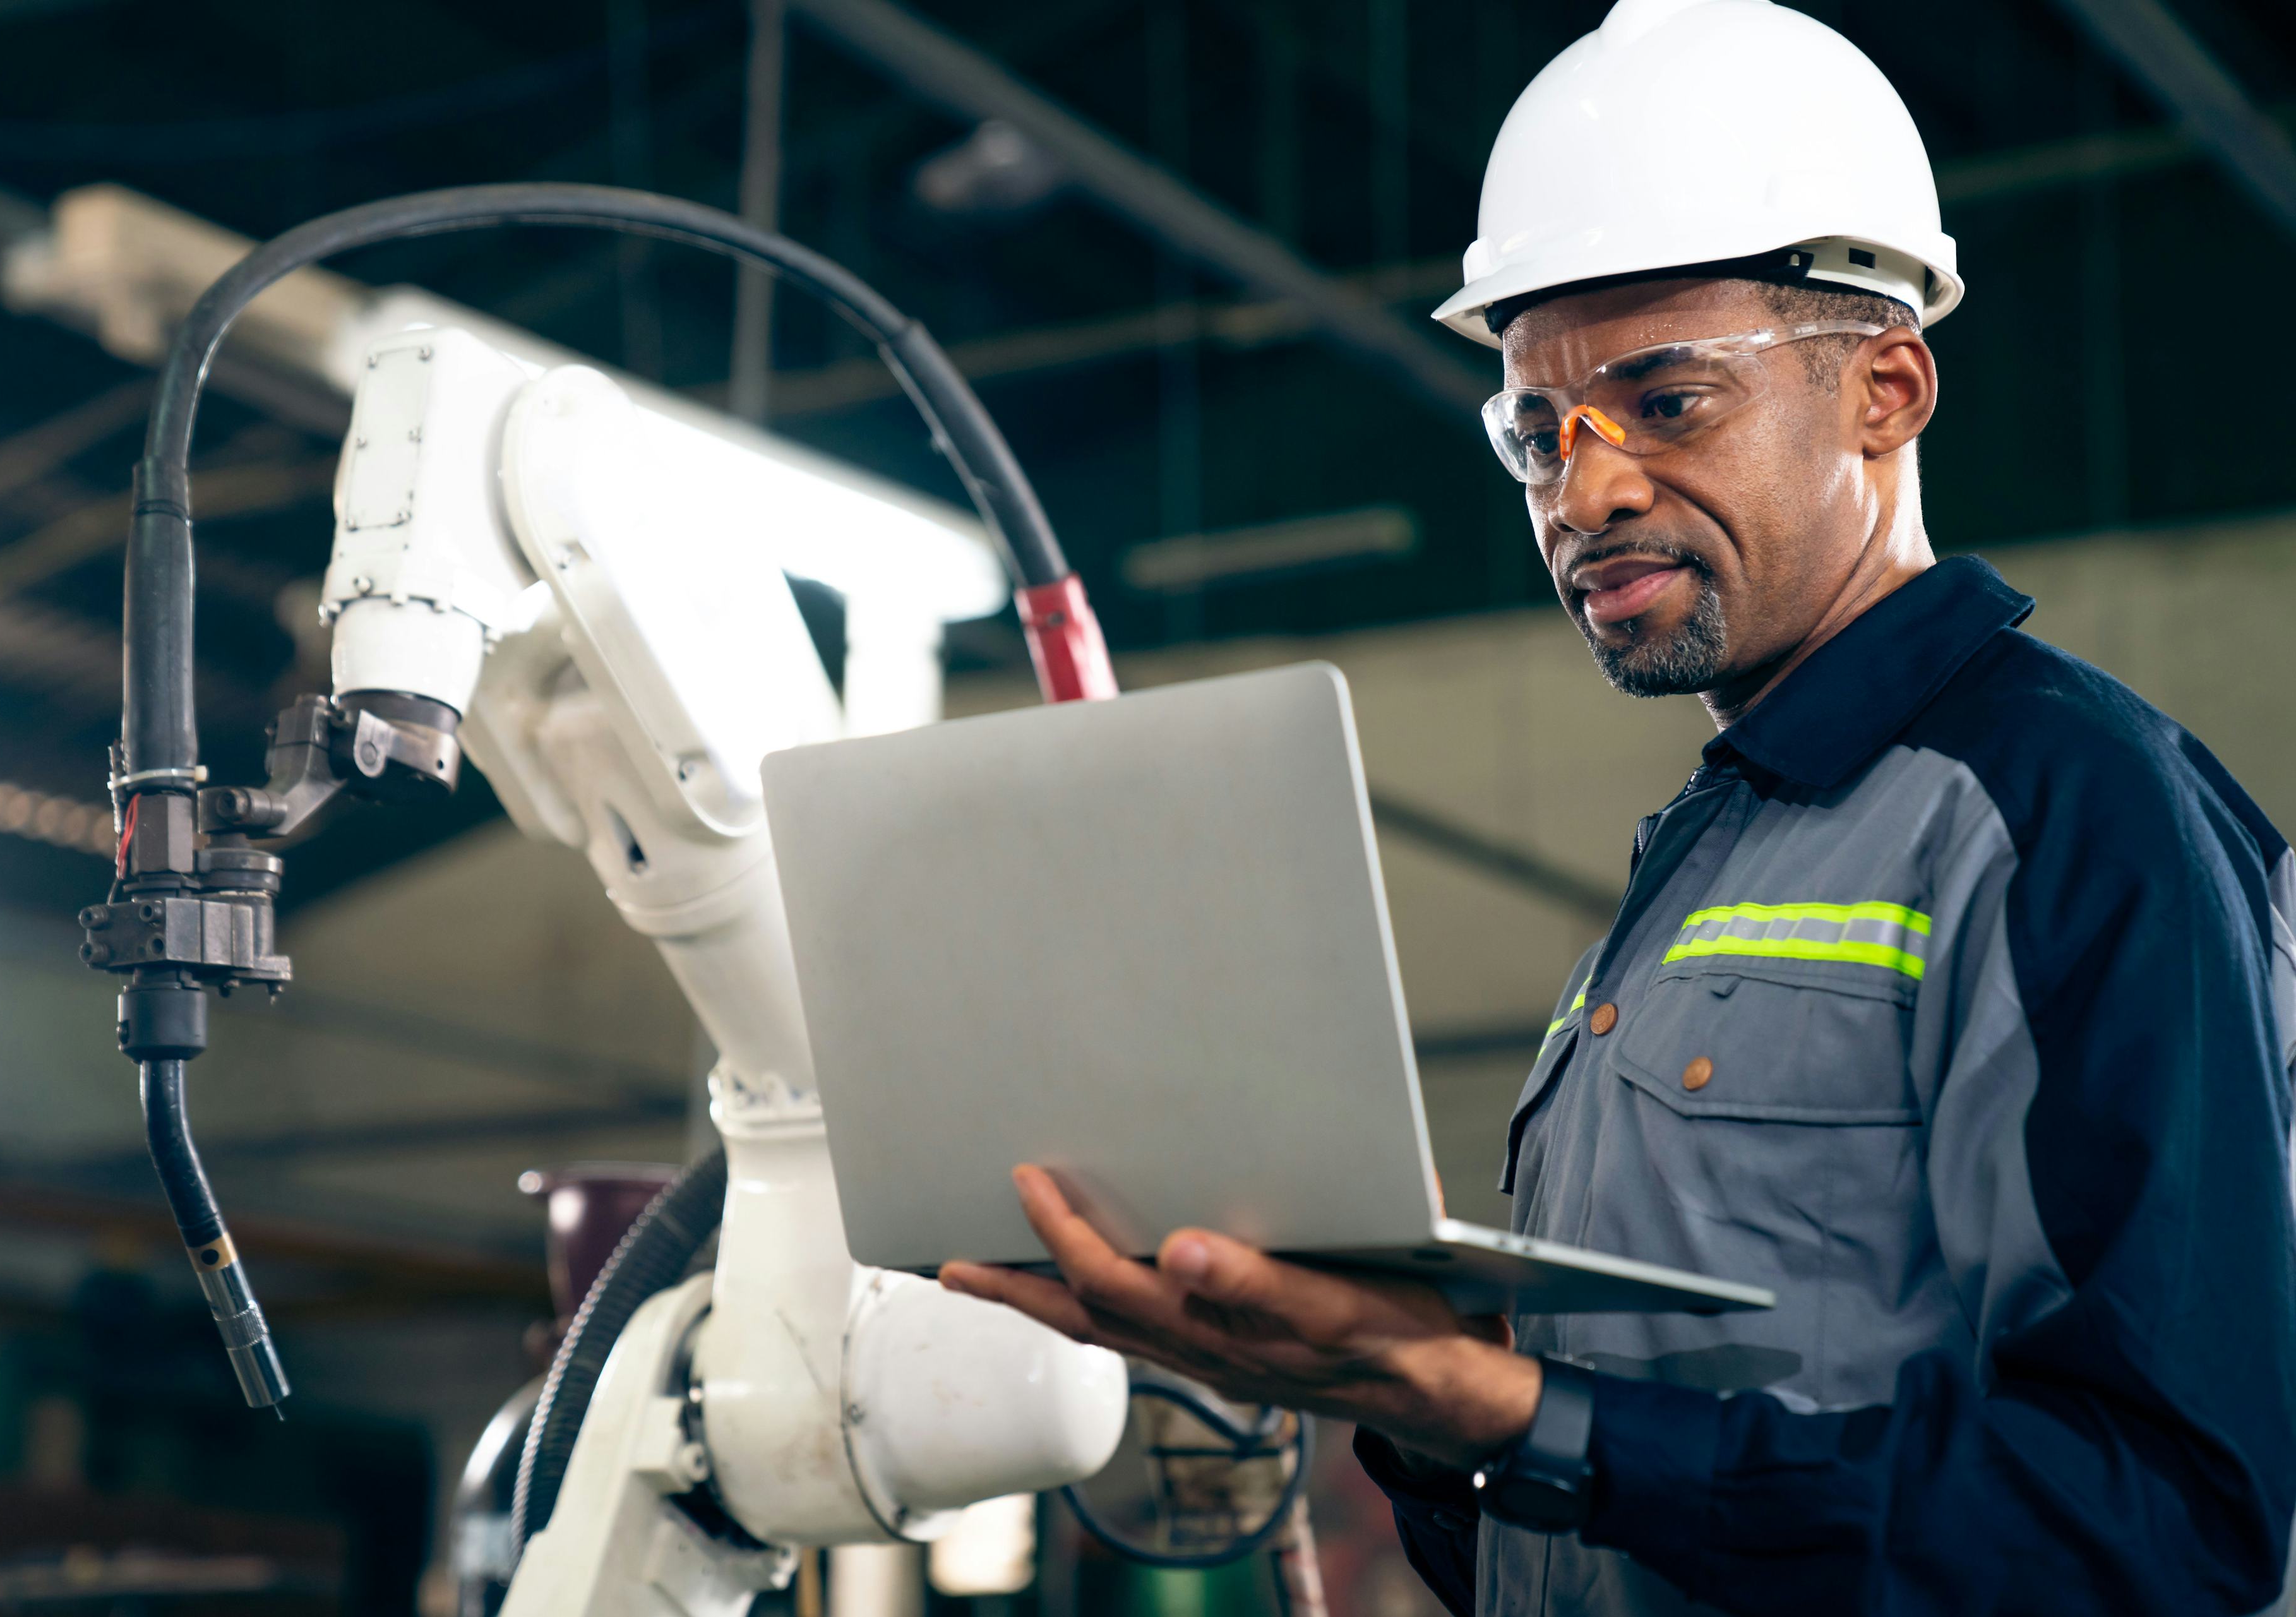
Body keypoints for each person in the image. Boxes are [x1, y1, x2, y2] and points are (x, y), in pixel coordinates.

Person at [935, 2, 2296, 1613]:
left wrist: (1537, 1415)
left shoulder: (2061, 809)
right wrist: (1425, 1401)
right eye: (1536, 432)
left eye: (1667, 403)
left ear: (1887, 388)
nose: (1585, 494)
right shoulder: (1716, 859)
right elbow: (1585, 1522)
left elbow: (2177, 1529)